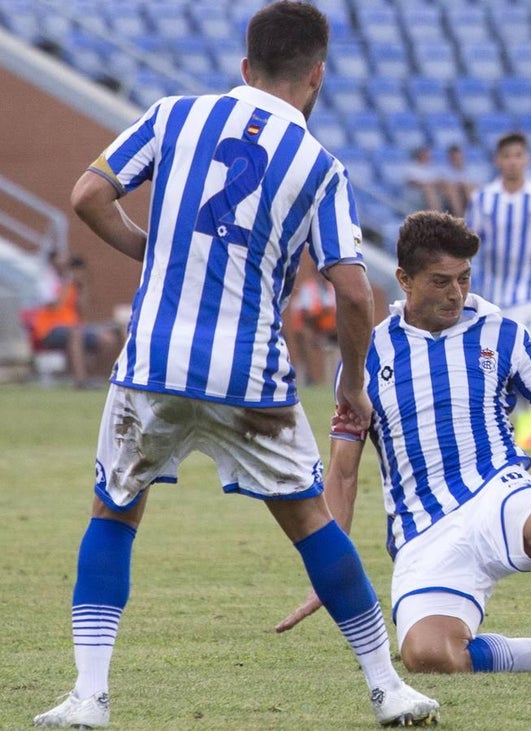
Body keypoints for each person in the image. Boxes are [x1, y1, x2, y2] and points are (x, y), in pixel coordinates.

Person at [33, 3, 438, 727]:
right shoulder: (319, 165)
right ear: (316, 77)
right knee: (312, 521)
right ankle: (388, 688)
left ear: (245, 68)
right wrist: (351, 382)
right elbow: (353, 289)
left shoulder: (173, 115)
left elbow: (87, 196)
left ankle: (89, 696)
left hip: (151, 360)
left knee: (115, 512)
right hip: (247, 375)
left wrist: (147, 250)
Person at [274, 210, 531, 676]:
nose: (456, 293)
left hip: (497, 492)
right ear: (404, 279)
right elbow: (343, 473)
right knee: (429, 657)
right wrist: (328, 564)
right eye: (441, 281)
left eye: (464, 278)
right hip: (423, 530)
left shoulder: (503, 334)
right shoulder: (366, 356)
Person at [466, 131, 531, 450]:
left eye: (518, 155)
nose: (512, 162)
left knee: (519, 351)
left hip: (530, 291)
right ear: (498, 161)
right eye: (506, 156)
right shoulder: (484, 198)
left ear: (526, 159)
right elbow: (468, 238)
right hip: (494, 291)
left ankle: (526, 416)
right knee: (496, 360)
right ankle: (511, 415)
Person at [22, 250, 121, 388]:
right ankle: (81, 381)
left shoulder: (73, 284)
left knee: (108, 339)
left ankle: (96, 377)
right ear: (53, 263)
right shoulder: (46, 282)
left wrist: (83, 285)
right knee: (75, 334)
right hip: (49, 330)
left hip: (74, 327)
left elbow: (84, 310)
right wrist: (67, 284)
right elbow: (55, 306)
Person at [285, 264, 338, 387]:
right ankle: (310, 377)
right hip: (314, 328)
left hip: (332, 330)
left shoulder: (333, 289)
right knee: (303, 334)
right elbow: (305, 315)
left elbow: (340, 313)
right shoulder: (308, 289)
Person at [439, 144, 480, 217]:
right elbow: (443, 185)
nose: (457, 159)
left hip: (467, 192)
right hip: (452, 194)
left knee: (467, 188)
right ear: (450, 158)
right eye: (454, 157)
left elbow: (477, 184)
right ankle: (460, 217)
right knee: (453, 191)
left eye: (458, 157)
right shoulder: (443, 170)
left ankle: (474, 216)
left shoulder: (471, 169)